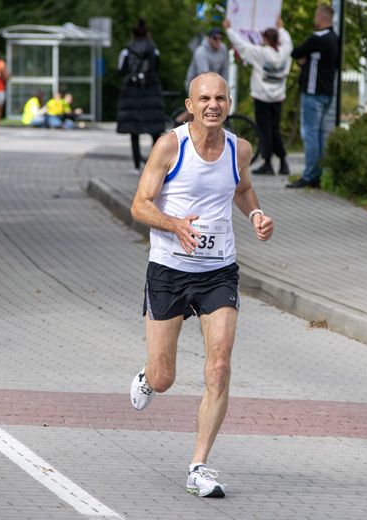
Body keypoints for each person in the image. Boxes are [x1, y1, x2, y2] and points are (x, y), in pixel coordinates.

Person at [129, 72, 274, 498]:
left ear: (229, 104)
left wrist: (255, 215)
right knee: (164, 376)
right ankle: (147, 380)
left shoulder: (239, 149)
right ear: (190, 105)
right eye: (204, 98)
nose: (213, 105)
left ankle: (199, 466)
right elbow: (139, 204)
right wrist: (173, 224)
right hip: (169, 270)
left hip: (218, 271)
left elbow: (242, 189)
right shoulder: (170, 146)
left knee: (220, 366)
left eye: (221, 98)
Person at [224, 17, 293, 175]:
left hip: (262, 98)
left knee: (264, 131)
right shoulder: (284, 53)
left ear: (266, 39)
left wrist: (229, 29)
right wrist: (281, 28)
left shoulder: (261, 53)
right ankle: (283, 162)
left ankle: (267, 163)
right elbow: (288, 41)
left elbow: (242, 46)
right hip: (278, 98)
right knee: (274, 130)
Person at [287, 4, 339, 188]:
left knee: (309, 134)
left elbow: (295, 52)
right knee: (319, 135)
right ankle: (317, 174)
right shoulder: (335, 39)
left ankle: (309, 176)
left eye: (316, 15)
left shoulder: (318, 38)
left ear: (322, 17)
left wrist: (305, 59)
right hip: (327, 93)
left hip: (312, 92)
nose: (314, 19)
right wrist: (308, 60)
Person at [116, 19, 165, 173]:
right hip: (151, 93)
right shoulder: (154, 50)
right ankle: (154, 165)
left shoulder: (126, 51)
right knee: (155, 131)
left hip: (132, 94)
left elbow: (121, 71)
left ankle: (137, 166)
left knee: (134, 131)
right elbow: (157, 69)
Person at [176, 28, 230, 124]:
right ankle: (178, 121)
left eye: (220, 38)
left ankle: (190, 128)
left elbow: (225, 70)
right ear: (209, 39)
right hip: (195, 82)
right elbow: (204, 75)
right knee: (199, 105)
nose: (218, 41)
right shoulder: (201, 52)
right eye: (215, 38)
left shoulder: (223, 48)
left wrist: (225, 86)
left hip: (213, 82)